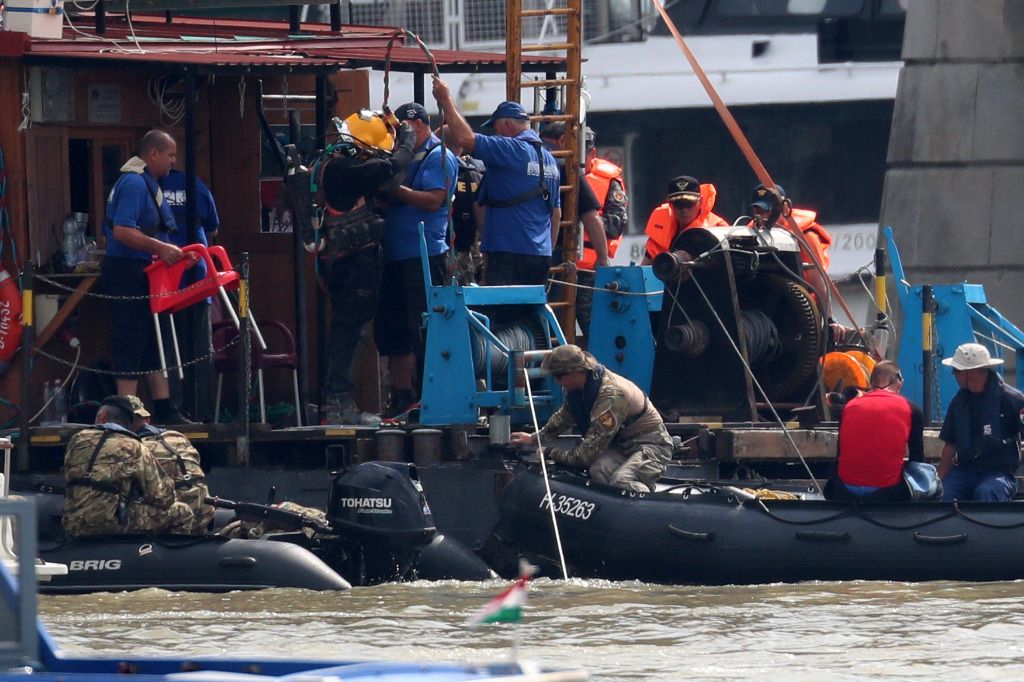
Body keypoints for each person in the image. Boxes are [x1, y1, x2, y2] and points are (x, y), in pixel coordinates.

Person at [316, 109, 416, 425]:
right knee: (350, 334)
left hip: (349, 262)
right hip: (353, 265)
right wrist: (408, 143)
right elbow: (389, 166)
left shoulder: (334, 165)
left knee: (351, 332)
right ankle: (338, 405)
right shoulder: (345, 169)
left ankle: (339, 404)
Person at [101, 129, 196, 425]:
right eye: (170, 155)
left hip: (148, 271)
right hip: (127, 270)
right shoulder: (132, 183)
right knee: (130, 339)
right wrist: (161, 248)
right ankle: (128, 414)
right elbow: (123, 230)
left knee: (154, 340)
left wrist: (178, 254)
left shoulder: (149, 183)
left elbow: (157, 234)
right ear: (153, 154)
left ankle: (165, 408)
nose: (173, 161)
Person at [433, 79, 561, 286]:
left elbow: (465, 140)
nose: (495, 134)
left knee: (500, 314)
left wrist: (445, 100)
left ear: (508, 125)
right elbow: (556, 213)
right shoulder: (549, 160)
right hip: (540, 256)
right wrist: (547, 250)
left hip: (508, 253)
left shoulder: (510, 149)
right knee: (529, 314)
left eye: (496, 128)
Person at [376, 102, 458, 418]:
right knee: (392, 329)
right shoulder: (397, 155)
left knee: (423, 328)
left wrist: (398, 192)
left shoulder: (439, 157)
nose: (401, 135)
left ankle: (427, 394)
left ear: (421, 126)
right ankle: (401, 395)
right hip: (392, 254)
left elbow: (435, 200)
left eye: (406, 129)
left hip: (424, 256)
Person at [510, 344, 673, 492]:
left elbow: (585, 456)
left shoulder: (610, 396)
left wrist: (550, 452)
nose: (556, 381)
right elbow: (564, 417)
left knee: (623, 481)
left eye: (558, 376)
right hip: (621, 446)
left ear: (573, 373)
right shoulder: (577, 390)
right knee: (598, 470)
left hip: (651, 445)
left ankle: (645, 507)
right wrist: (534, 438)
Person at [62, 395, 194, 537]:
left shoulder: (77, 440)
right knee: (183, 512)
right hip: (111, 524)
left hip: (73, 522)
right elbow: (161, 497)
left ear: (103, 416)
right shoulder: (135, 446)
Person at [159, 167, 221, 422]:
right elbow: (213, 227)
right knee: (201, 349)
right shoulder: (196, 184)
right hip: (198, 275)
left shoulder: (151, 186)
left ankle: (174, 411)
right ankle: (203, 413)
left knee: (168, 349)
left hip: (165, 279)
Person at [539, 121, 610, 336]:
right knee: (556, 318)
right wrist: (603, 259)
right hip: (554, 256)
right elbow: (591, 218)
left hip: (515, 253)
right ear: (563, 141)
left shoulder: (522, 158)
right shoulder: (566, 166)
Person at [938, 343, 1024, 502]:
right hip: (965, 471)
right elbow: (950, 444)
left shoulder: (1012, 400)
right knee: (945, 494)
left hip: (999, 474)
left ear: (969, 373)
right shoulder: (959, 403)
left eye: (955, 371)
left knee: (986, 493)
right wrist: (939, 481)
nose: (954, 375)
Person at [827, 361, 925, 500]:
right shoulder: (911, 409)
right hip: (888, 492)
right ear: (897, 380)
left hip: (846, 490)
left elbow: (840, 453)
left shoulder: (849, 407)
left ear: (871, 382)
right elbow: (917, 459)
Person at [129, 394, 214, 534]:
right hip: (204, 512)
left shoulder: (134, 448)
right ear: (148, 420)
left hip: (178, 518)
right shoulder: (178, 437)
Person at [580, 127, 628, 335]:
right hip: (558, 268)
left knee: (596, 331)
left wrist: (584, 220)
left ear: (592, 153)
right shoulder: (556, 172)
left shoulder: (610, 182)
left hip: (591, 271)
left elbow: (616, 225)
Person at [642, 175, 728, 264]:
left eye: (689, 203)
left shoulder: (718, 229)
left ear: (700, 202)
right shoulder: (662, 229)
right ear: (670, 204)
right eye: (678, 204)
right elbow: (645, 267)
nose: (684, 210)